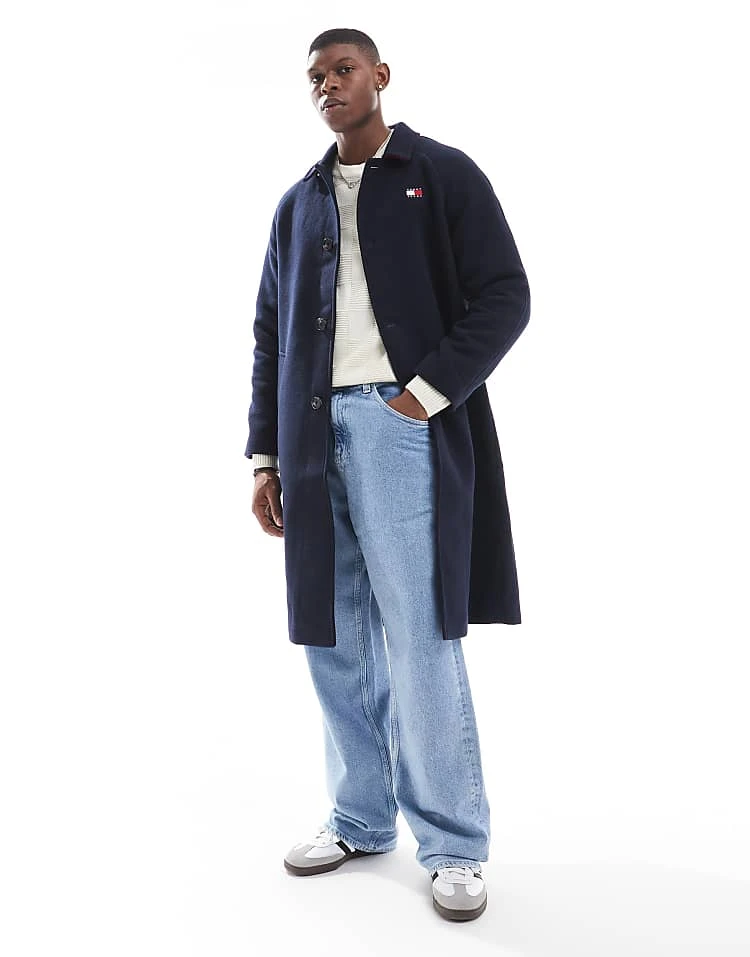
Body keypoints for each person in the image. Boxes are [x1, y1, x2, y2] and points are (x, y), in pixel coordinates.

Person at [245, 27, 530, 922]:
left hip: (400, 425)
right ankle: (361, 817)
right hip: (308, 435)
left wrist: (424, 395)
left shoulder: (439, 173)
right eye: (316, 77)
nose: (328, 86)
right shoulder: (298, 203)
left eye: (343, 70)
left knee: (418, 631)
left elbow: (506, 294)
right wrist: (265, 455)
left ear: (380, 76)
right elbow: (269, 334)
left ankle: (453, 842)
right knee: (333, 635)